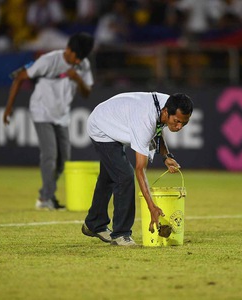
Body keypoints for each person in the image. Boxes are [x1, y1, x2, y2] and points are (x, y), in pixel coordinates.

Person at [82, 92, 194, 246]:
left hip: (112, 116)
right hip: (101, 127)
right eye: (177, 121)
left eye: (184, 123)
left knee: (109, 176)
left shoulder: (169, 103)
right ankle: (121, 233)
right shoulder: (145, 120)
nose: (179, 126)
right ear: (166, 112)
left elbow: (158, 131)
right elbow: (140, 170)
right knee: (124, 176)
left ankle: (94, 223)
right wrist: (152, 206)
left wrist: (166, 156)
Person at [3, 32, 95, 210]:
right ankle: (46, 198)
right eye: (76, 58)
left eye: (81, 59)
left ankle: (45, 195)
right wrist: (9, 107)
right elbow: (20, 77)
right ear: (68, 50)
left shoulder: (83, 64)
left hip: (62, 115)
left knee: (63, 160)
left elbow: (87, 93)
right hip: (42, 111)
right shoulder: (48, 61)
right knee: (50, 155)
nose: (78, 62)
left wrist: (78, 79)